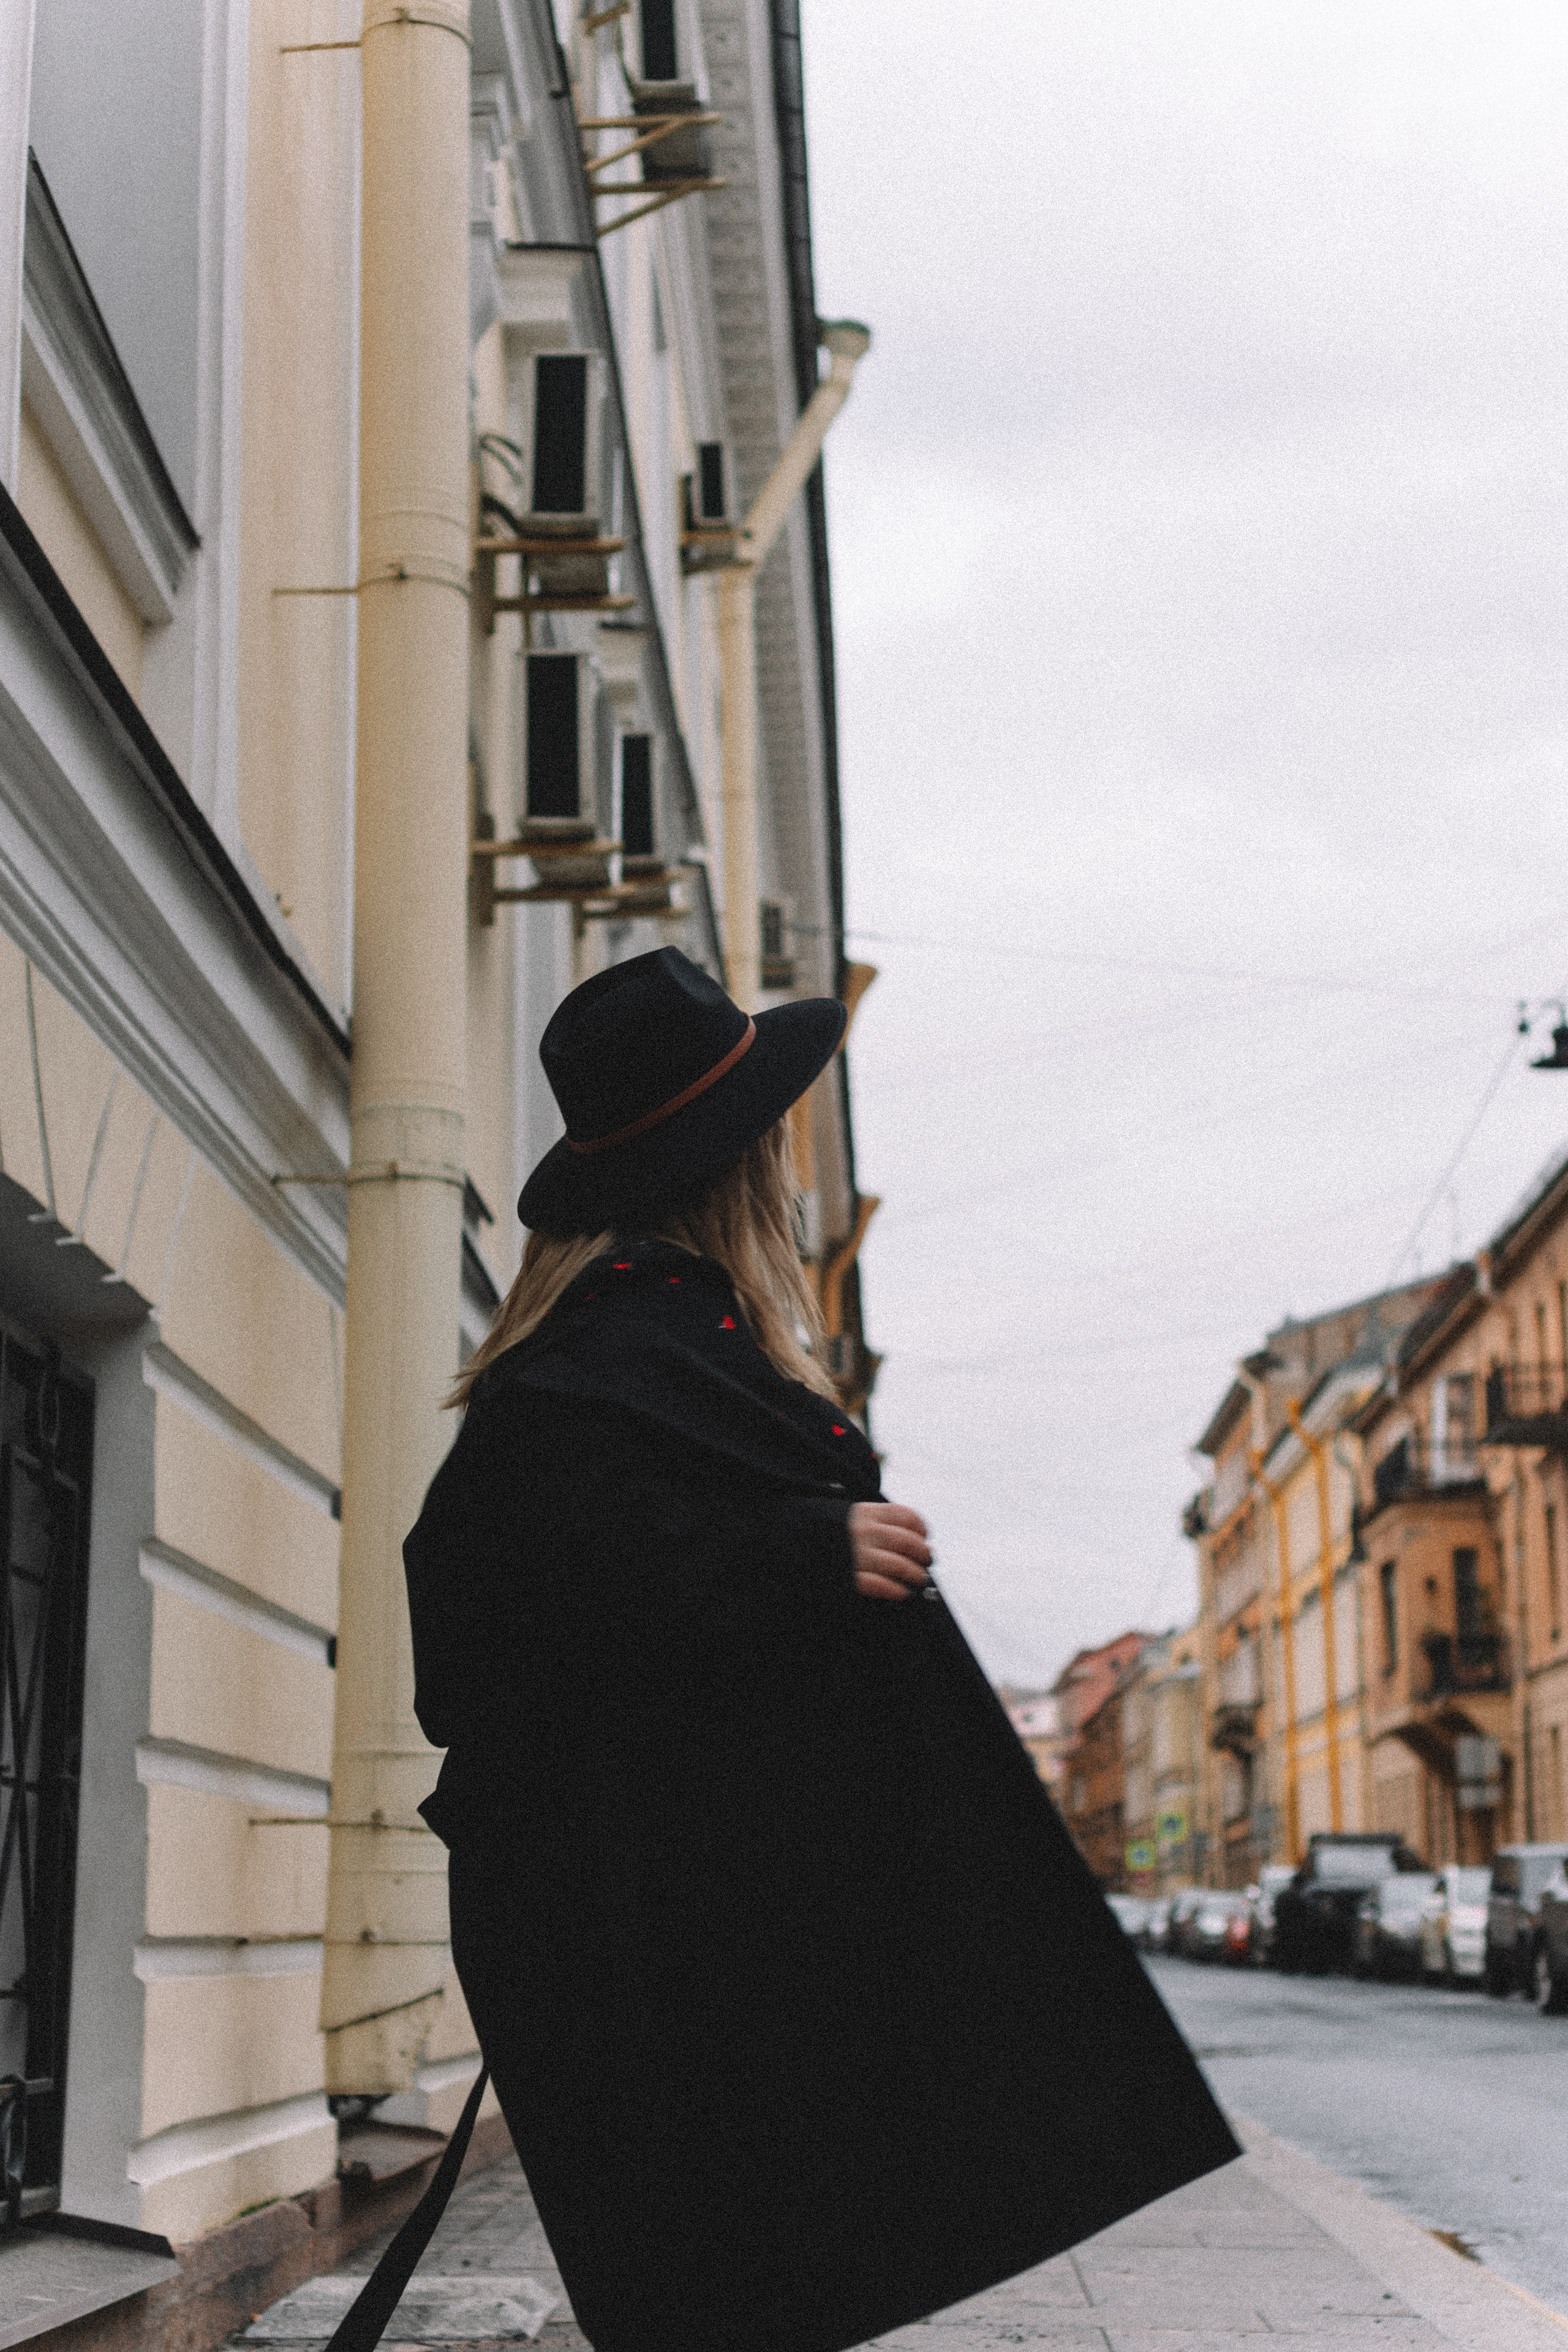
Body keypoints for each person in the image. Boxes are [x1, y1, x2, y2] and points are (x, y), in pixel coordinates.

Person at [401, 948, 1237, 2352]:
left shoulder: (661, 1342)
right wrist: (795, 1550)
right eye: (775, 1134)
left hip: (715, 1939)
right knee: (725, 2296)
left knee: (749, 2295)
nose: (791, 1169)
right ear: (731, 1156)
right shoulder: (602, 1360)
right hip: (669, 1953)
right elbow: (496, 1613)